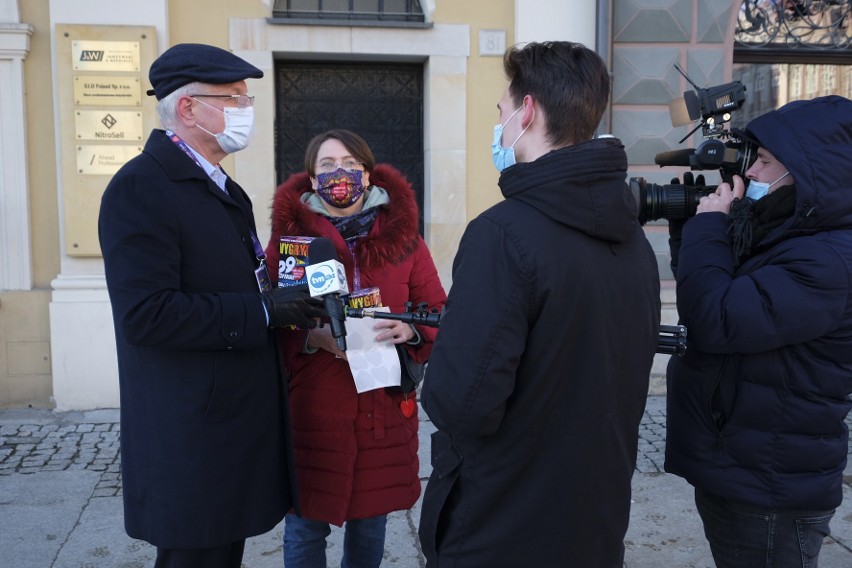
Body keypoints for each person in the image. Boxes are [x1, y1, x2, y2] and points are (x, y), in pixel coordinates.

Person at [417, 41, 661, 567]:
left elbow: (462, 402)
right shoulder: (632, 239)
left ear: (527, 113)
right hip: (593, 521)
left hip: (501, 527)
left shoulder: (502, 234)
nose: (499, 124)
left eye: (501, 112)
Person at [98, 43, 325, 568]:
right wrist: (265, 311)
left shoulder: (219, 185)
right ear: (188, 108)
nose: (246, 109)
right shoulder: (141, 188)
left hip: (228, 426)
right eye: (235, 98)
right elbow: (147, 314)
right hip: (191, 435)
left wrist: (282, 300)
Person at [665, 95, 852, 567]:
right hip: (745, 468)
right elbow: (712, 295)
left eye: (765, 162)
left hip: (772, 488)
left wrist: (707, 229)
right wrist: (688, 232)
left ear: (807, 174)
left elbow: (715, 319)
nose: (750, 174)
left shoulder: (825, 261)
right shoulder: (791, 235)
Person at [264, 129, 447, 567]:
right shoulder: (289, 245)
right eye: (326, 166)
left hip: (380, 408)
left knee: (370, 527)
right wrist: (310, 336)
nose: (339, 174)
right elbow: (266, 314)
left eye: (349, 164)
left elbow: (438, 309)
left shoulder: (406, 240)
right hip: (312, 410)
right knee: (304, 528)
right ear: (311, 180)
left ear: (367, 175)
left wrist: (412, 331)